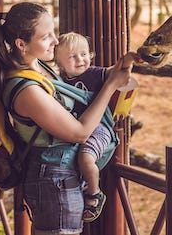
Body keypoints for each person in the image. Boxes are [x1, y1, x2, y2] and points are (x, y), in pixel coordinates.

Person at [0, 2, 133, 235]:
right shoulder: (25, 89)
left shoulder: (39, 66)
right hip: (54, 182)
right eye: (46, 37)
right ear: (21, 44)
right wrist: (112, 84)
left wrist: (114, 71)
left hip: (62, 175)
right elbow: (79, 132)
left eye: (54, 32)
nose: (55, 41)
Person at [54, 32, 140, 222]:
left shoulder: (93, 74)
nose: (80, 60)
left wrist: (128, 59)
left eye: (84, 54)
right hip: (75, 129)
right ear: (59, 63)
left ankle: (94, 193)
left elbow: (117, 70)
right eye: (72, 56)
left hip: (98, 128)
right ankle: (83, 184)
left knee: (85, 159)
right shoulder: (58, 81)